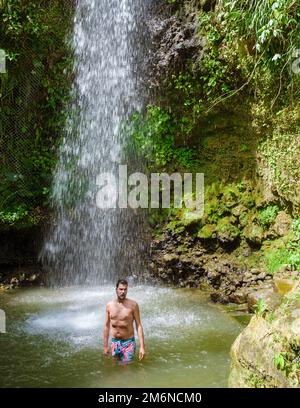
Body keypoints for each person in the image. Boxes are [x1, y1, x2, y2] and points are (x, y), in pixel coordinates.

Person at [103, 279, 145, 364]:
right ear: (116, 290)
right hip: (115, 342)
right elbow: (106, 326)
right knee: (115, 367)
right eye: (121, 289)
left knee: (126, 369)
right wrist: (105, 346)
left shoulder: (133, 305)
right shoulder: (109, 305)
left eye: (125, 289)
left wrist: (142, 347)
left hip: (128, 342)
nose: (123, 292)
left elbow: (139, 325)